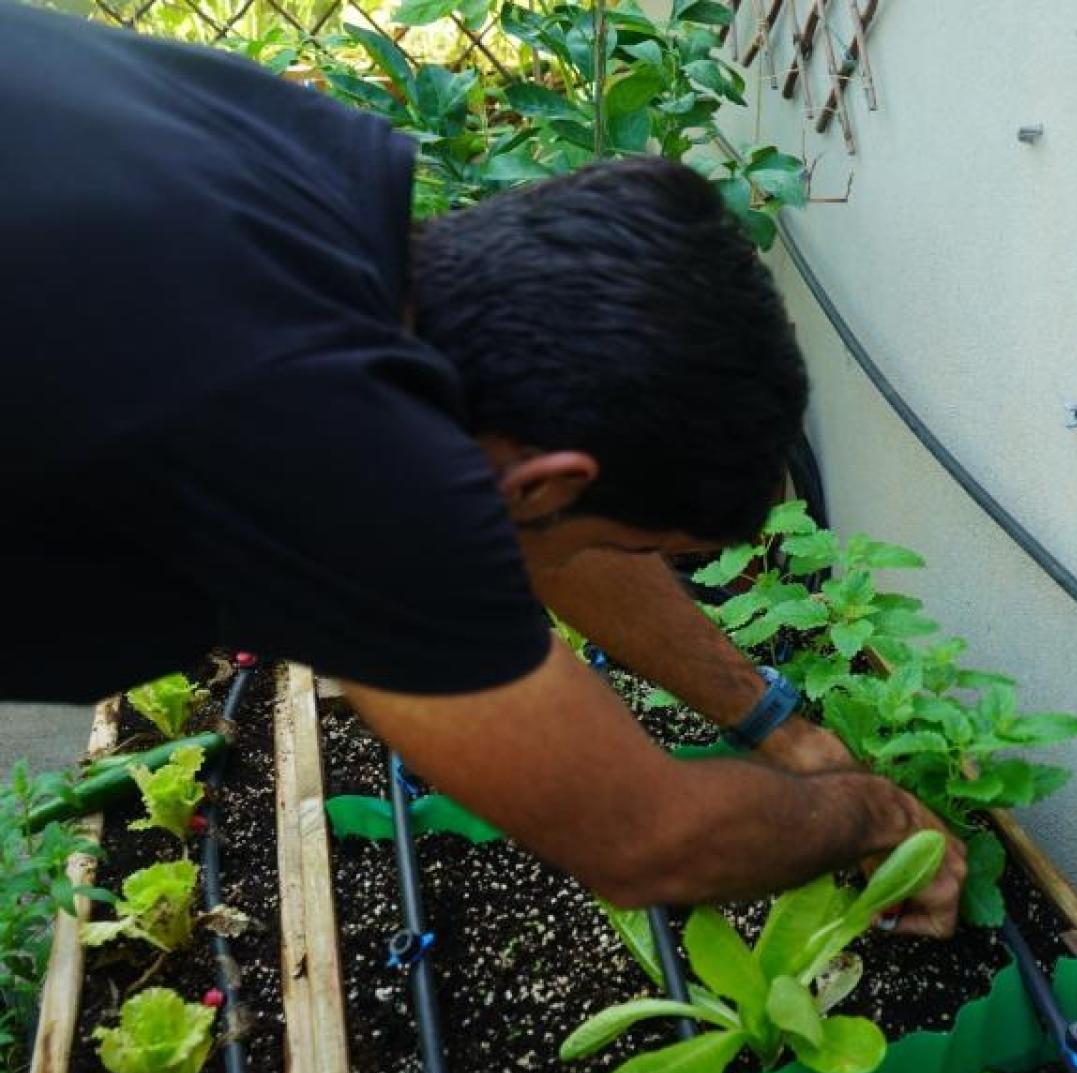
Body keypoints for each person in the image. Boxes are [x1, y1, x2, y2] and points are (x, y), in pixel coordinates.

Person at [0, 2, 965, 935]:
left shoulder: (306, 171)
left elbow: (551, 543)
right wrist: (876, 814)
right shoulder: (333, 443)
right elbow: (646, 842)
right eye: (639, 540)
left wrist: (776, 723)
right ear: (546, 483)